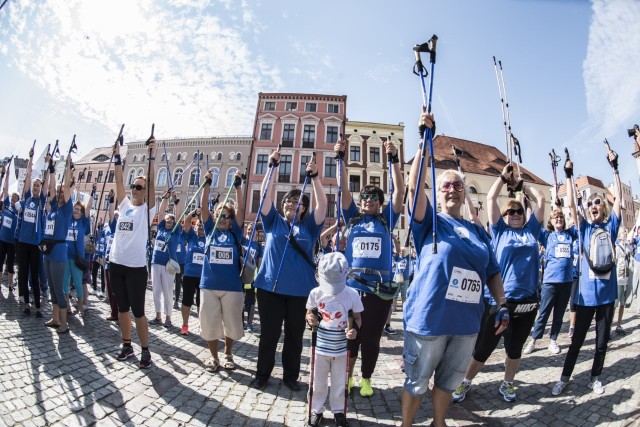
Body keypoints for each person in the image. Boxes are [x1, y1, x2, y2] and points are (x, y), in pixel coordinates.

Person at [401, 112, 509, 427]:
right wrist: (424, 142)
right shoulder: (431, 222)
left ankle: (439, 422)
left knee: (448, 382)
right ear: (439, 192)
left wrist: (501, 305)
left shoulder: (477, 231)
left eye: (457, 187)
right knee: (417, 381)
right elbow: (412, 190)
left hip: (465, 324)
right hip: (429, 319)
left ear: (463, 194)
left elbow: (492, 271)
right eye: (446, 186)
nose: (452, 190)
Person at [453, 162, 545, 404]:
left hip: (528, 302)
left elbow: (541, 200)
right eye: (510, 212)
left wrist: (523, 185)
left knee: (515, 349)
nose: (515, 215)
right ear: (504, 216)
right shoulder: (500, 231)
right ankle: (465, 382)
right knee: (484, 347)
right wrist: (504, 179)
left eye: (518, 212)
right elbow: (492, 197)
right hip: (501, 301)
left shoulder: (531, 231)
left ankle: (508, 383)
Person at [334, 135, 403, 397]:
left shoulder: (386, 220)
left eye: (374, 197)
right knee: (351, 336)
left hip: (378, 291)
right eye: (365, 197)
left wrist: (393, 159)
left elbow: (399, 192)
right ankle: (347, 378)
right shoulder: (352, 219)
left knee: (371, 339)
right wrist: (339, 159)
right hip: (351, 289)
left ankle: (366, 379)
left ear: (380, 203)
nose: (368, 200)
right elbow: (343, 191)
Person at [251, 149, 326, 391]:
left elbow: (323, 204)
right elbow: (264, 195)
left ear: (304, 209)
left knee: (294, 338)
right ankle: (262, 375)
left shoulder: (309, 228)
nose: (294, 204)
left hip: (300, 292)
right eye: (289, 201)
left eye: (299, 202)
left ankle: (290, 376)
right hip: (269, 289)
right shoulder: (273, 221)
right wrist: (271, 167)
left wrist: (315, 178)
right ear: (282, 206)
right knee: (269, 336)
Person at [552, 150, 621, 396]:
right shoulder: (583, 230)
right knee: (577, 342)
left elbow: (619, 202)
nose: (593, 206)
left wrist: (615, 167)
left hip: (607, 297)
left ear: (603, 208)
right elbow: (571, 203)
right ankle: (564, 378)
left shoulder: (610, 227)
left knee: (602, 343)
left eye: (597, 203)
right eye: (590, 203)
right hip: (586, 298)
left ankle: (595, 377)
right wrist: (568, 174)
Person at [109, 138, 156, 369]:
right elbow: (119, 179)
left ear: (145, 191)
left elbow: (153, 181)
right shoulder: (124, 205)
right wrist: (117, 155)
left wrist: (152, 156)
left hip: (136, 268)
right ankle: (127, 345)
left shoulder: (147, 210)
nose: (134, 189)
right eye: (134, 186)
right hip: (116, 264)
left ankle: (145, 350)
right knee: (122, 309)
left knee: (138, 311)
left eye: (139, 187)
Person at [306, 252, 363, 427]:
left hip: (341, 348)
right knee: (318, 382)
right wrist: (310, 319)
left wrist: (354, 330)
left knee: (340, 383)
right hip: (321, 346)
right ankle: (317, 410)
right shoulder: (316, 293)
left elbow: (358, 318)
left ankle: (339, 411)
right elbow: (309, 313)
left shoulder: (352, 294)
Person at [198, 170, 245, 372]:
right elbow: (203, 209)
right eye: (220, 216)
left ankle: (228, 353)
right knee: (209, 323)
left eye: (227, 216)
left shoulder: (235, 231)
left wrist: (238, 187)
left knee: (231, 323)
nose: (224, 219)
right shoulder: (210, 230)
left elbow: (241, 210)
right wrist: (206, 184)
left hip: (232, 287)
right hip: (209, 285)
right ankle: (213, 357)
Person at [523, 209, 578, 355]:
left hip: (566, 281)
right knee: (543, 312)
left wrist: (576, 204)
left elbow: (578, 220)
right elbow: (533, 223)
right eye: (555, 217)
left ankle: (553, 340)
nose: (559, 219)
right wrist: (529, 205)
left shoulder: (570, 234)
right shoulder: (547, 235)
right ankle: (534, 340)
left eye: (561, 217)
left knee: (559, 314)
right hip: (550, 281)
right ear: (551, 221)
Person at [42, 154, 73, 333]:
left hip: (59, 251)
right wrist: (52, 167)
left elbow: (66, 186)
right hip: (47, 250)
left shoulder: (67, 210)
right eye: (59, 193)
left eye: (62, 193)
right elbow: (53, 187)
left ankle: (64, 323)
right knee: (52, 287)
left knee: (59, 288)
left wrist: (68, 165)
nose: (60, 194)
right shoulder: (53, 208)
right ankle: (55, 318)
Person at [17, 147, 47, 318]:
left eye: (37, 186)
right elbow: (28, 177)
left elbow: (45, 189)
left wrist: (48, 169)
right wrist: (30, 158)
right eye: (34, 186)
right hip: (23, 241)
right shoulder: (27, 197)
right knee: (23, 271)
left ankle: (37, 304)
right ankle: (25, 302)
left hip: (35, 243)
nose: (35, 188)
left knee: (34, 273)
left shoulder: (41, 201)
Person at [149, 191, 181, 327]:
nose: (168, 221)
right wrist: (165, 198)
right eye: (168, 219)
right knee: (156, 290)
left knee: (168, 292)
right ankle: (158, 316)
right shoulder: (161, 227)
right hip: (156, 262)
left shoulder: (176, 231)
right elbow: (161, 213)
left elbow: (179, 215)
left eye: (171, 220)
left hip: (168, 265)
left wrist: (175, 200)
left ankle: (168, 318)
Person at [62, 181, 94, 315]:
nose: (75, 211)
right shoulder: (68, 219)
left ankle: (80, 306)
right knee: (65, 284)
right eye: (74, 209)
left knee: (77, 283)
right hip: (65, 256)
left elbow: (88, 208)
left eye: (78, 210)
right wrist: (71, 187)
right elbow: (67, 201)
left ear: (81, 213)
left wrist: (92, 193)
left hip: (77, 258)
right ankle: (68, 306)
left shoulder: (83, 222)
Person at [180, 208, 205, 336]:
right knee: (187, 300)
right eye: (199, 225)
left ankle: (202, 325)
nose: (201, 227)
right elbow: (187, 221)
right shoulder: (191, 236)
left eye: (203, 225)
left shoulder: (209, 239)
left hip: (203, 276)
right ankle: (185, 324)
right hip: (189, 274)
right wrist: (194, 212)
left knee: (201, 302)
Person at [0, 162, 19, 293]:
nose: (13, 199)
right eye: (12, 197)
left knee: (10, 264)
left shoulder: (18, 210)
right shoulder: (6, 205)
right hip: (2, 239)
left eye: (15, 198)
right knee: (0, 262)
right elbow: (5, 190)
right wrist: (6, 177)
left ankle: (11, 284)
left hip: (12, 242)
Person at [242, 222, 263, 333]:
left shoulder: (259, 247)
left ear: (256, 232)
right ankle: (241, 322)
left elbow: (259, 264)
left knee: (250, 299)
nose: (250, 231)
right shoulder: (243, 242)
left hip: (250, 276)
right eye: (249, 229)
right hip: (239, 275)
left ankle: (249, 324)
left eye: (252, 229)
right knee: (239, 298)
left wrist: (259, 277)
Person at [613, 228, 632, 335]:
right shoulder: (617, 248)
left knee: (622, 303)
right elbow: (615, 261)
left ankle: (618, 325)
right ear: (619, 236)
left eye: (626, 233)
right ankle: (609, 325)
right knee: (615, 304)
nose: (625, 234)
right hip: (618, 278)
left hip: (626, 277)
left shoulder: (628, 248)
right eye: (623, 233)